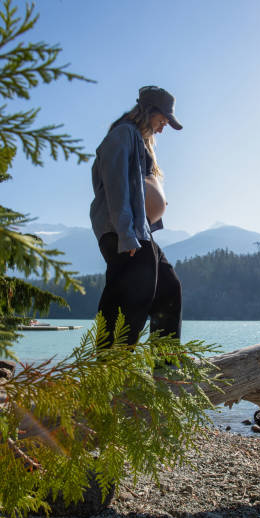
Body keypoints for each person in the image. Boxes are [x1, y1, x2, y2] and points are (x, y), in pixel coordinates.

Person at [90, 86, 183, 347]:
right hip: (124, 232)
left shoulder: (139, 141)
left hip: (138, 231)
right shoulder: (123, 134)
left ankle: (166, 367)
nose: (163, 127)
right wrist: (126, 234)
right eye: (162, 120)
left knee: (169, 288)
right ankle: (110, 370)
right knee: (127, 299)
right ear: (148, 112)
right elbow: (116, 184)